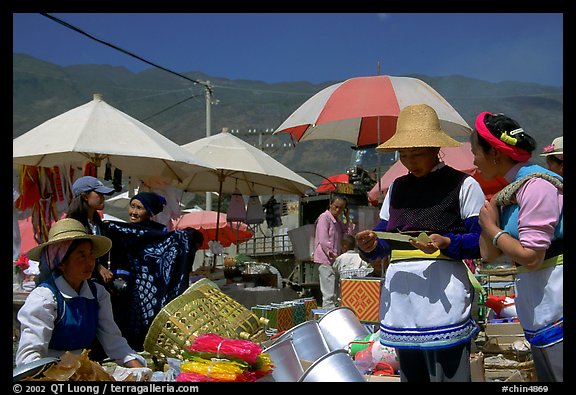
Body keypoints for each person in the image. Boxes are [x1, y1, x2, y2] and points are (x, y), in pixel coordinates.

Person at [355, 104, 485, 382]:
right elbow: (385, 237)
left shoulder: (463, 185)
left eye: (417, 154)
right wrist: (370, 246)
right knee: (412, 373)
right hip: (402, 295)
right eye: (404, 155)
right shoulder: (398, 188)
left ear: (436, 149)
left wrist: (447, 242)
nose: (410, 161)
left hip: (443, 293)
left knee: (449, 372)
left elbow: (480, 241)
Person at [472, 111, 563, 382]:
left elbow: (532, 256)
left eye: (475, 151)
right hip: (540, 304)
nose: (473, 160)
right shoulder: (509, 193)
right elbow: (488, 255)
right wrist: (489, 224)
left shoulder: (536, 186)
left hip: (556, 301)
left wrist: (492, 229)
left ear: (495, 154)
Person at [15, 218, 146, 369]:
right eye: (81, 255)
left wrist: (140, 371)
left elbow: (113, 341)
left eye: (91, 254)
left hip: (81, 370)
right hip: (48, 372)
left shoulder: (98, 294)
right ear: (62, 262)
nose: (90, 262)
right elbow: (29, 357)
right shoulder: (43, 298)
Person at [104, 191, 203, 351]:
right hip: (124, 291)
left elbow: (174, 252)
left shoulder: (160, 234)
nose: (134, 212)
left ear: (149, 212)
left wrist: (187, 238)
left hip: (152, 293)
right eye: (132, 206)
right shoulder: (121, 231)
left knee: (149, 328)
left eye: (139, 208)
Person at [65, 176, 115, 285]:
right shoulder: (73, 224)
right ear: (85, 197)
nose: (103, 198)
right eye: (99, 194)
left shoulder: (99, 224)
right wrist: (98, 267)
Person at [313, 194, 354, 309]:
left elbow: (348, 234)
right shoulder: (324, 217)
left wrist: (347, 217)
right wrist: (333, 254)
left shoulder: (337, 221)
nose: (337, 210)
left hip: (335, 261)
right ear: (330, 204)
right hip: (326, 260)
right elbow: (323, 239)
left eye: (341, 208)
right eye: (336, 206)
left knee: (336, 294)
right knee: (329, 295)